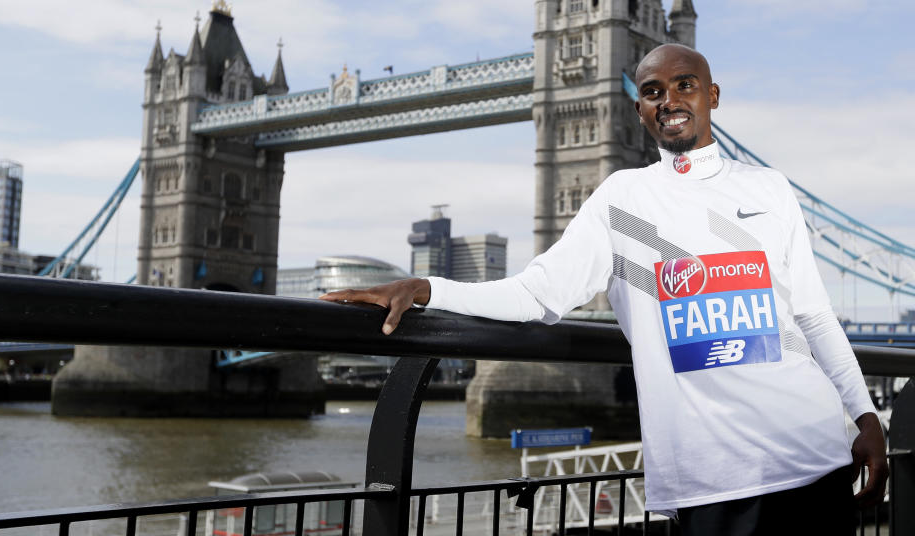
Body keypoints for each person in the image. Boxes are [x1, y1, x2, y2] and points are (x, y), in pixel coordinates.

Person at [320, 44, 887, 534]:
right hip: (710, 480)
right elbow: (536, 294)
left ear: (713, 95)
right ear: (638, 108)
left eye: (684, 85)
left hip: (815, 457)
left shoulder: (770, 188)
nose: (669, 100)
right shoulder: (623, 201)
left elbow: (813, 317)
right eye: (652, 90)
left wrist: (865, 419)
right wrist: (428, 290)